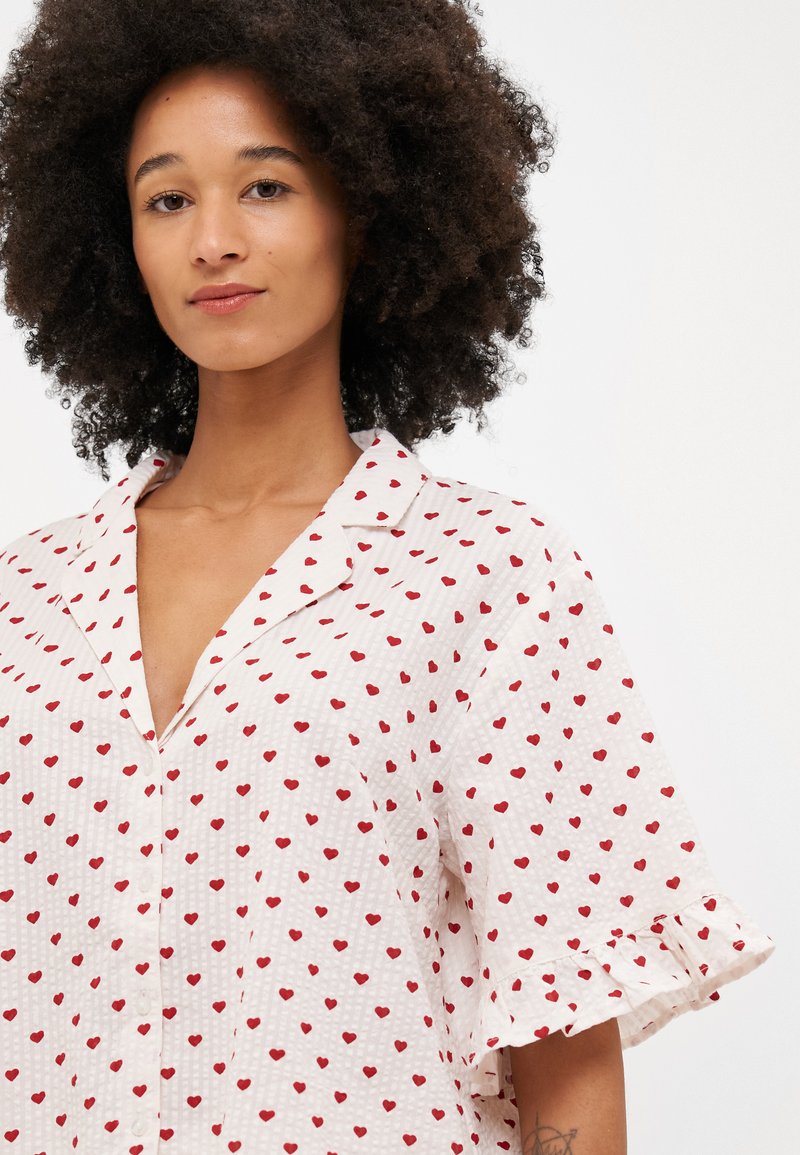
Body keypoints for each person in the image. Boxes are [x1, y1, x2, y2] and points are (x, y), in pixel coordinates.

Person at [0, 2, 775, 1152]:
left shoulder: (486, 579)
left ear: (361, 214)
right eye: (167, 199)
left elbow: (564, 1056)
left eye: (265, 186)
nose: (213, 239)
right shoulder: (24, 602)